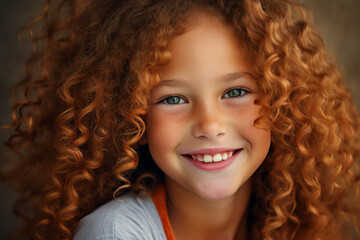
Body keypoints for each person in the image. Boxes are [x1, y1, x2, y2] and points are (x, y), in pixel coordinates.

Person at [1, 0, 359, 239]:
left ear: (282, 103)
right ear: (133, 118)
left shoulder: (286, 223)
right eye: (173, 98)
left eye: (235, 92)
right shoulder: (115, 233)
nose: (209, 124)